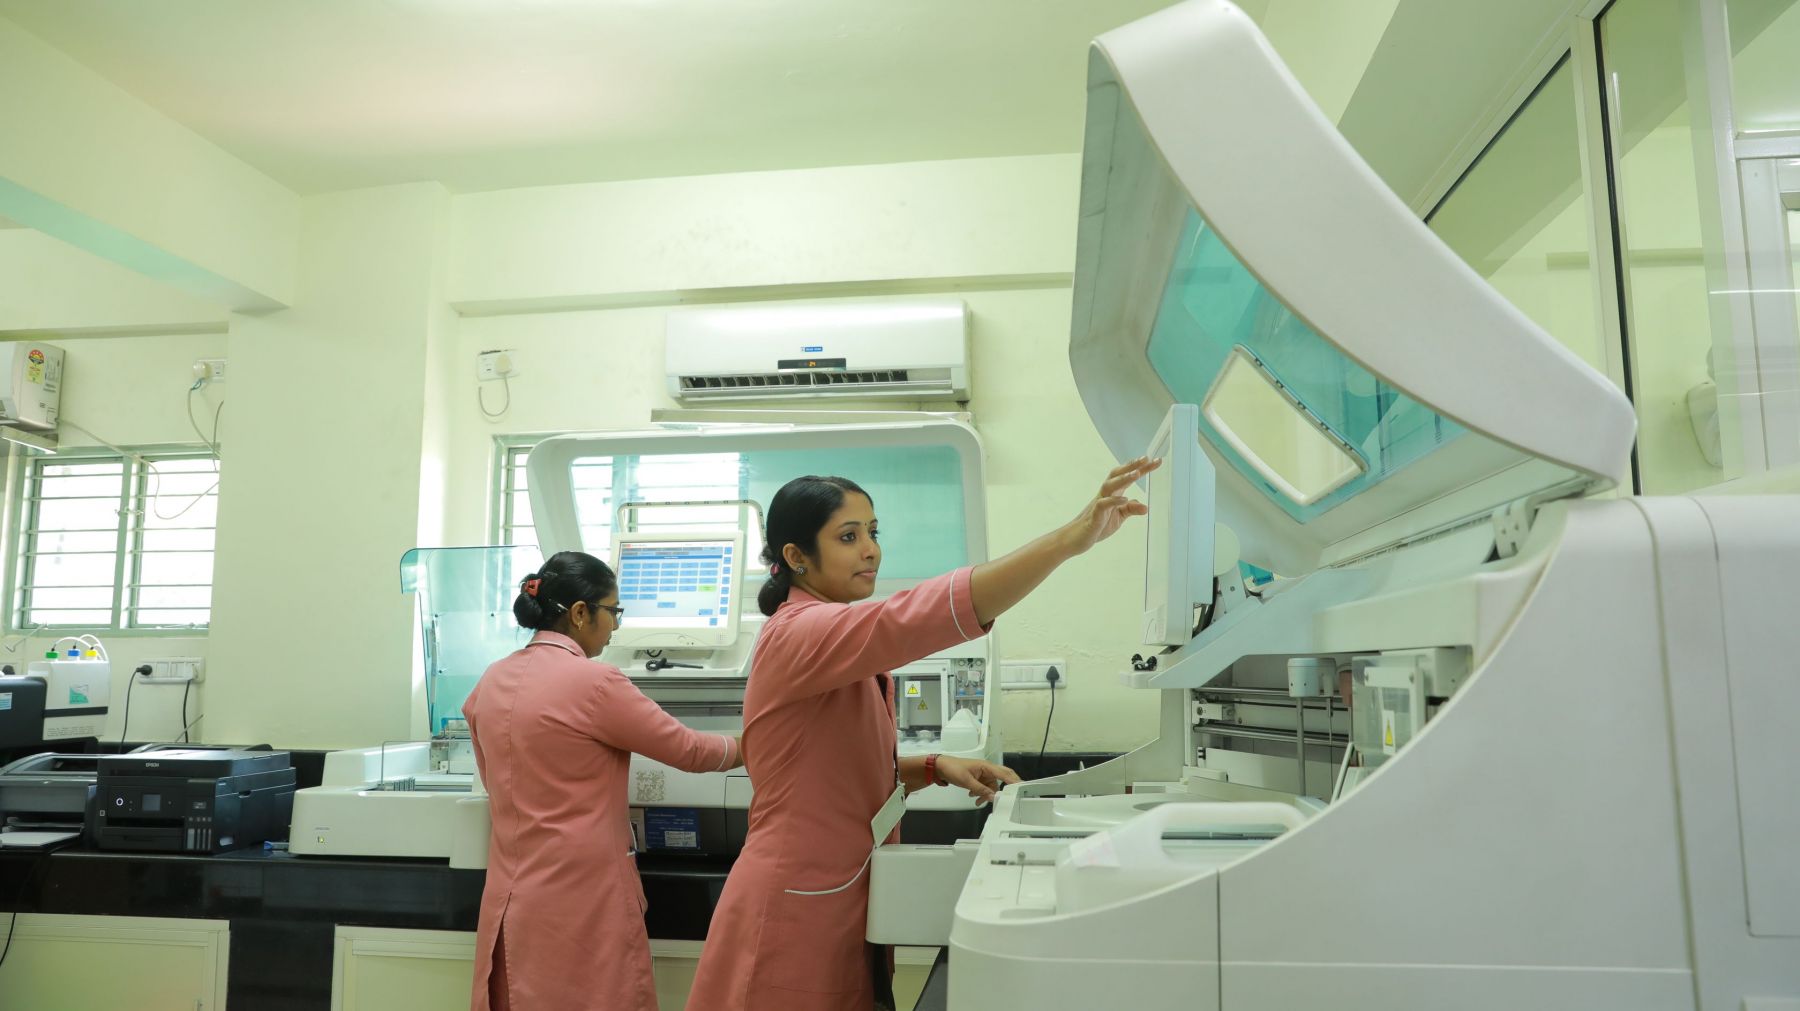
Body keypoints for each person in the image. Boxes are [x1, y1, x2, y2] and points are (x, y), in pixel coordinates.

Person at [686, 457, 1161, 1010]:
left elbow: (832, 772)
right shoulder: (801, 632)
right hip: (796, 901)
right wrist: (1067, 541)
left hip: (838, 888)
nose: (870, 549)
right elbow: (912, 617)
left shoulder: (829, 635)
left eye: (872, 532)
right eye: (848, 536)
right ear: (796, 558)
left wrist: (933, 768)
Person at [464, 550, 744, 1011]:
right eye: (613, 612)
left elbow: (495, 780)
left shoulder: (490, 681)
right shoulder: (595, 684)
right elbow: (692, 752)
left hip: (512, 899)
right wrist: (756, 742)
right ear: (579, 613)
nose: (614, 626)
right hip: (584, 900)